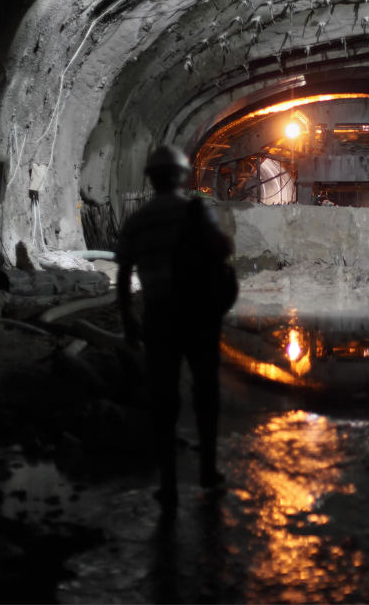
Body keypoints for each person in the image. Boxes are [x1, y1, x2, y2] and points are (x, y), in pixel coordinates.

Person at [116, 145, 233, 506]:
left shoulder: (136, 221)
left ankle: (167, 484)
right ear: (183, 176)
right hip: (198, 313)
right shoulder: (197, 211)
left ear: (150, 178)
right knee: (206, 391)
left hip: (159, 316)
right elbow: (223, 251)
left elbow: (122, 277)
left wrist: (128, 320)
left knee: (163, 397)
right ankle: (208, 471)